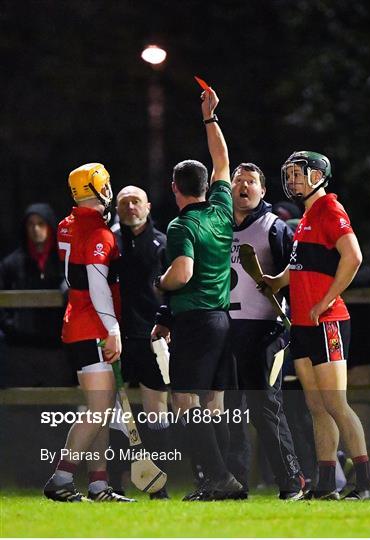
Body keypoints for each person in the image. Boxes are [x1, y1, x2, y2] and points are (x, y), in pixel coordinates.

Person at [262, 151, 370, 500]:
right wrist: (277, 280)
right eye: (291, 174)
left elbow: (354, 256)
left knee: (336, 403)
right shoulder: (306, 216)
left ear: (318, 175)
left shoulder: (330, 209)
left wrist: (326, 300)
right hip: (301, 324)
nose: (293, 180)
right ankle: (326, 483)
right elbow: (301, 268)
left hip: (326, 322)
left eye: (300, 174)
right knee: (317, 407)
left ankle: (367, 483)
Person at [152, 88, 243, 501]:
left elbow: (182, 273)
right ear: (207, 185)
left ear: (175, 187)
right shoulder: (222, 209)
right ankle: (219, 479)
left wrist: (160, 282)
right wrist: (210, 118)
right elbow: (223, 160)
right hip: (225, 319)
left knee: (186, 400)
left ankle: (219, 477)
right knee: (213, 403)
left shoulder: (179, 226)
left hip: (195, 319)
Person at [43, 163, 134, 502]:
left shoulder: (68, 225)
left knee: (101, 408)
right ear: (96, 189)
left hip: (77, 322)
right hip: (92, 324)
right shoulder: (99, 234)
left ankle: (98, 483)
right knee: (99, 409)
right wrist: (113, 329)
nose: (109, 191)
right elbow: (97, 287)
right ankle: (61, 477)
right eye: (105, 185)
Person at [227, 162, 305, 500]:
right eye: (238, 181)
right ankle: (235, 482)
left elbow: (296, 277)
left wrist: (290, 326)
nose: (244, 186)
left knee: (264, 407)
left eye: (251, 182)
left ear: (262, 191)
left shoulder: (275, 228)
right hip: (226, 330)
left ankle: (292, 480)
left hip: (265, 331)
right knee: (229, 408)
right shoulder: (218, 227)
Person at [113, 185, 170, 499]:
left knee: (155, 411)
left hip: (151, 339)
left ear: (147, 206)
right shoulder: (110, 244)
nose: (130, 207)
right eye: (124, 202)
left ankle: (159, 487)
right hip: (116, 339)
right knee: (113, 414)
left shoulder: (162, 243)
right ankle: (113, 484)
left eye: (136, 201)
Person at [0, 203, 71, 387]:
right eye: (31, 224)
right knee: (22, 411)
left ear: (50, 226)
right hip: (21, 348)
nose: (35, 229)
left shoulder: (65, 261)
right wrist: (11, 326)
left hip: (57, 347)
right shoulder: (11, 264)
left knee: (59, 411)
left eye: (41, 223)